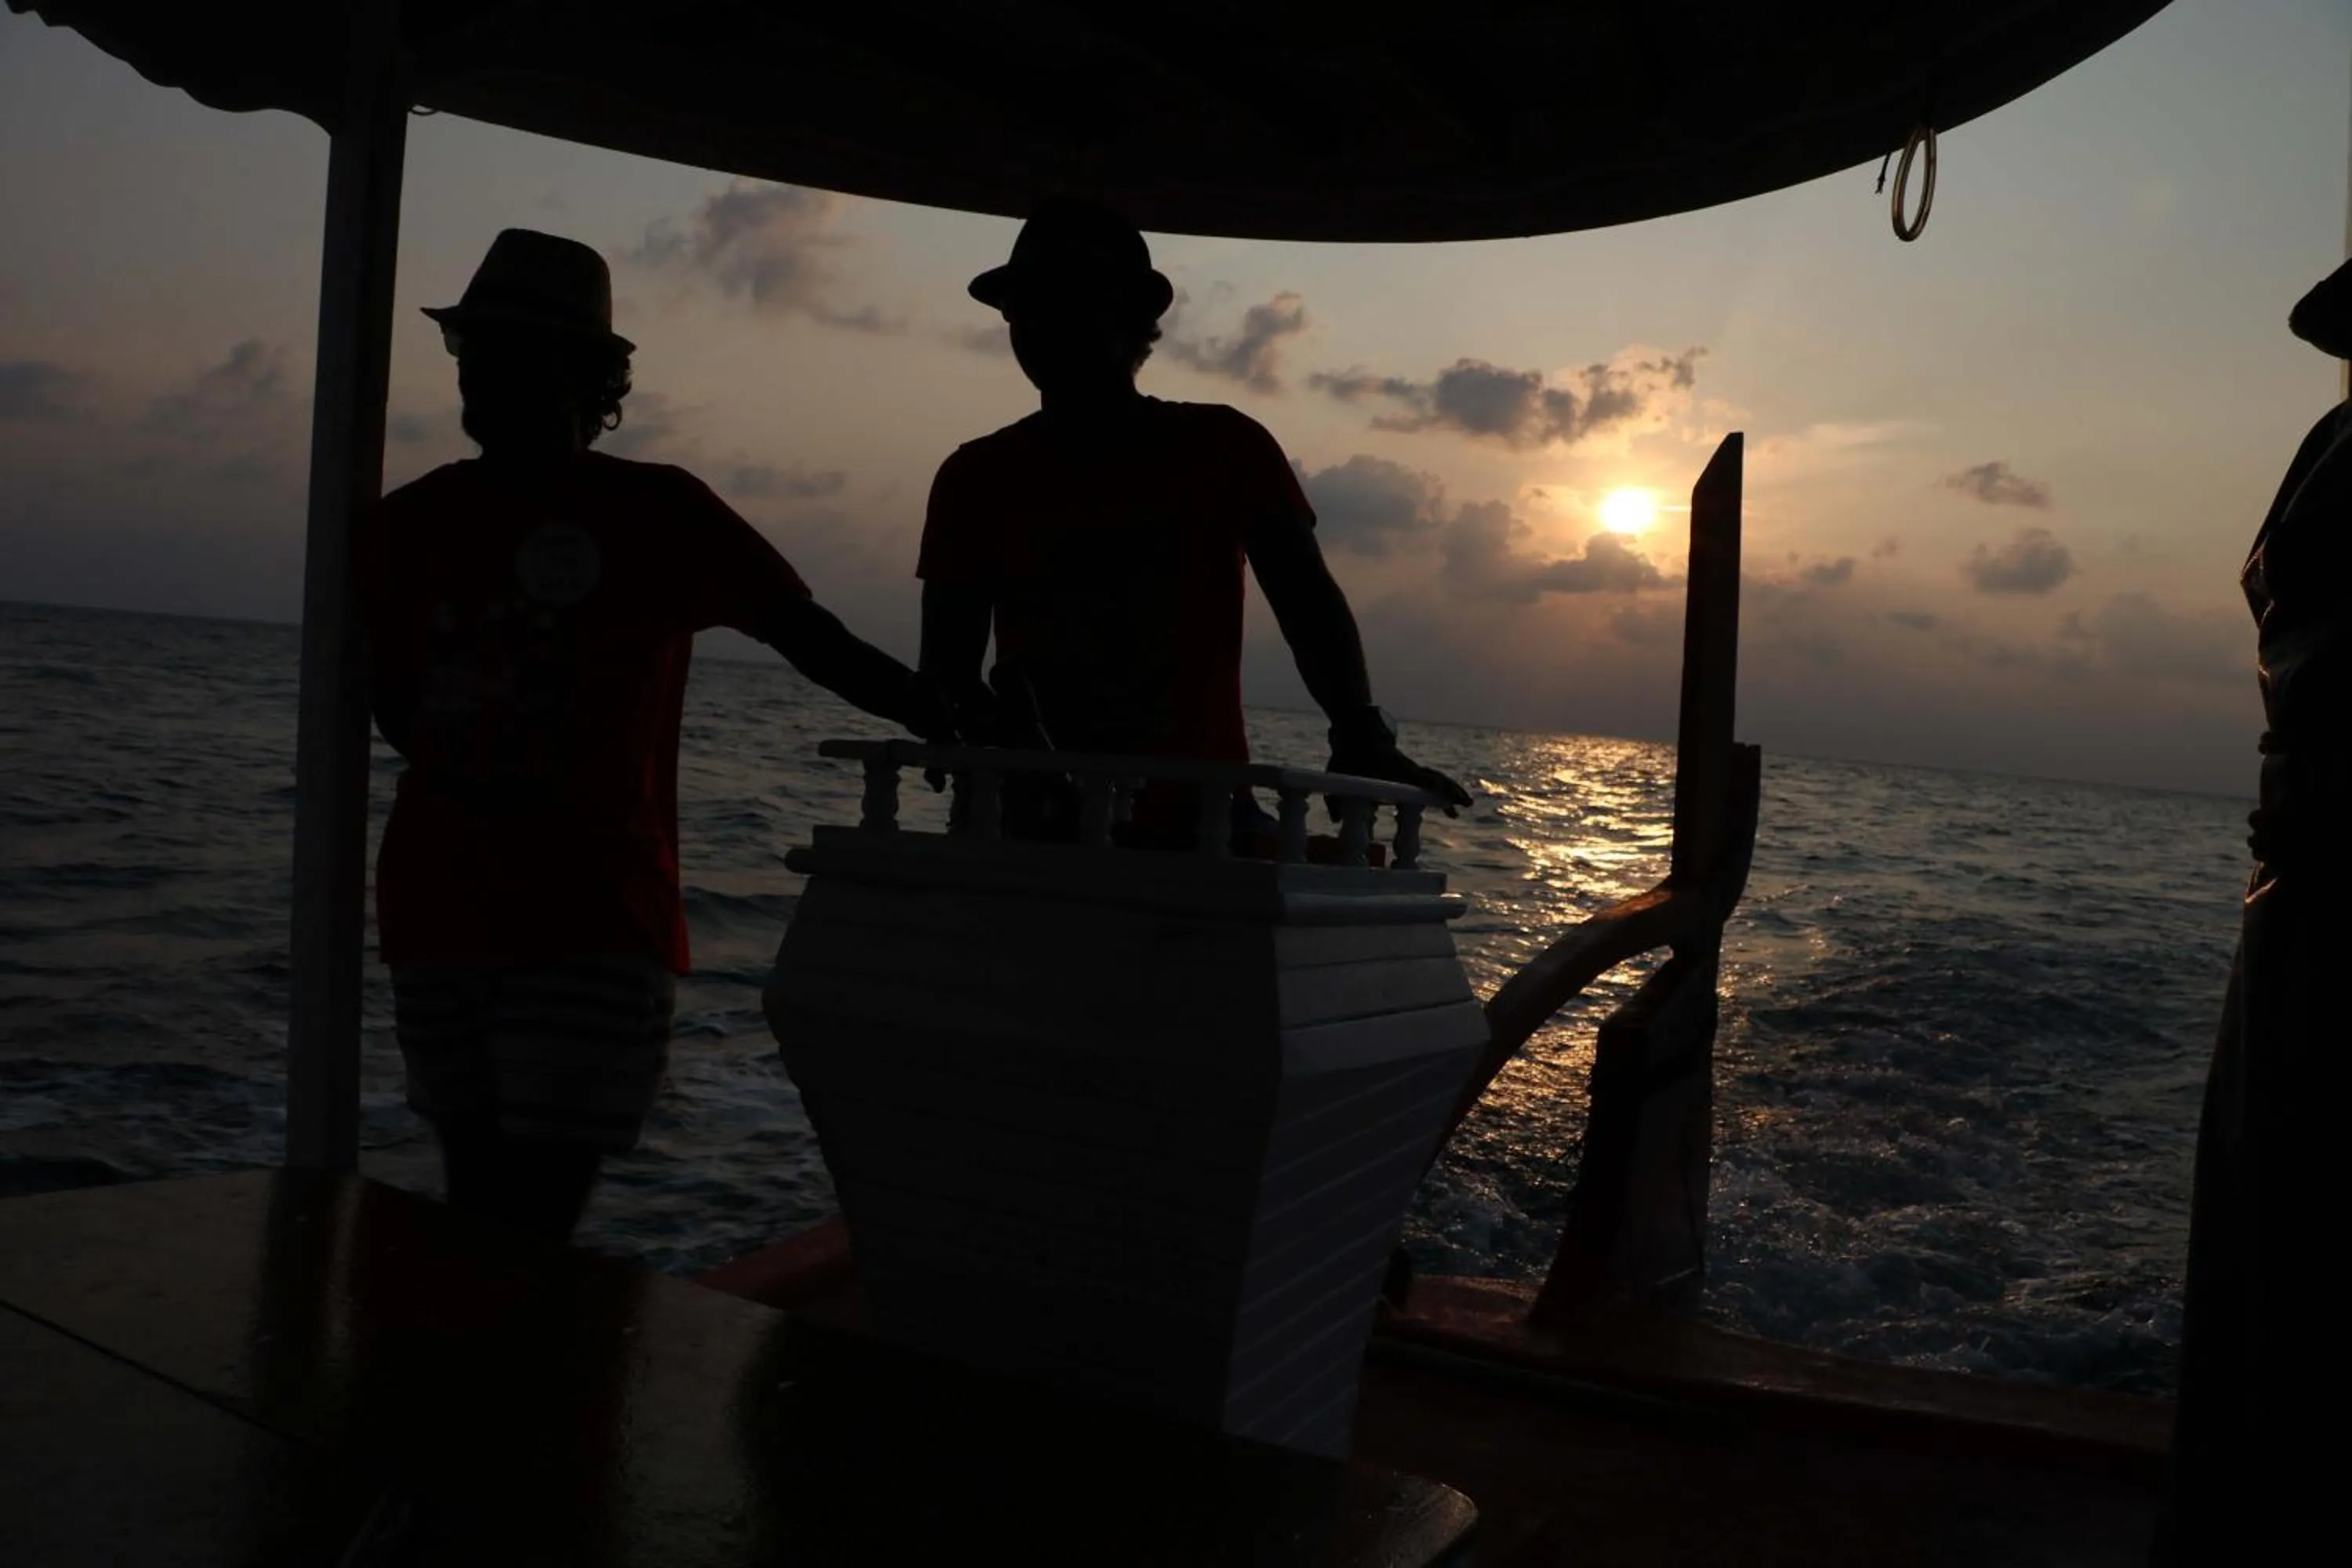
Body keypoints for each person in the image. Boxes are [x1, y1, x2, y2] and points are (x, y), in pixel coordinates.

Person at [364, 229, 956, 1243]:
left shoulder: (659, 512)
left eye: (510, 349)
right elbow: (386, 696)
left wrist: (950, 718)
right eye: (476, 349)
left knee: (527, 1221)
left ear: (586, 378)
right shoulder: (406, 521)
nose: (482, 371)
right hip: (437, 913)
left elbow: (813, 642)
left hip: (591, 921)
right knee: (478, 1211)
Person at [916, 198, 1470, 850]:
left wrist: (1361, 733)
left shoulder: (1226, 447)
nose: (1037, 325)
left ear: (1131, 316)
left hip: (1204, 817)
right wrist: (984, 741)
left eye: (1067, 301)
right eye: (1024, 307)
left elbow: (1306, 599)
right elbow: (947, 673)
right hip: (1030, 823)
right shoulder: (974, 476)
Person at [2157, 260, 2352, 1564]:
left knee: (2271, 1263)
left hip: (2297, 901)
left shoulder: (2326, 454)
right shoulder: (2348, 463)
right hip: (2326, 908)